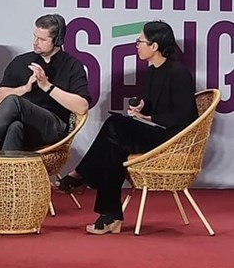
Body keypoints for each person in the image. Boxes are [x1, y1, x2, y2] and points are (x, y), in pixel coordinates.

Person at [56, 20, 198, 235]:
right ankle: (109, 215)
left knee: (114, 126)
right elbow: (153, 105)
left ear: (155, 46)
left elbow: (186, 117)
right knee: (114, 145)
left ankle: (82, 176)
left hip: (171, 138)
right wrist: (142, 108)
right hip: (154, 130)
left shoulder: (178, 73)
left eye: (140, 41)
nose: (136, 45)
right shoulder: (152, 71)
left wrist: (149, 116)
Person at [0, 13, 91, 171]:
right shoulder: (21, 62)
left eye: (42, 39)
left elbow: (82, 107)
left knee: (13, 101)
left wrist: (47, 87)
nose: (35, 42)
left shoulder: (72, 66)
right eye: (35, 36)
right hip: (25, 128)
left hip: (53, 128)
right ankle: (9, 179)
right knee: (14, 127)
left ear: (57, 40)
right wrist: (24, 88)